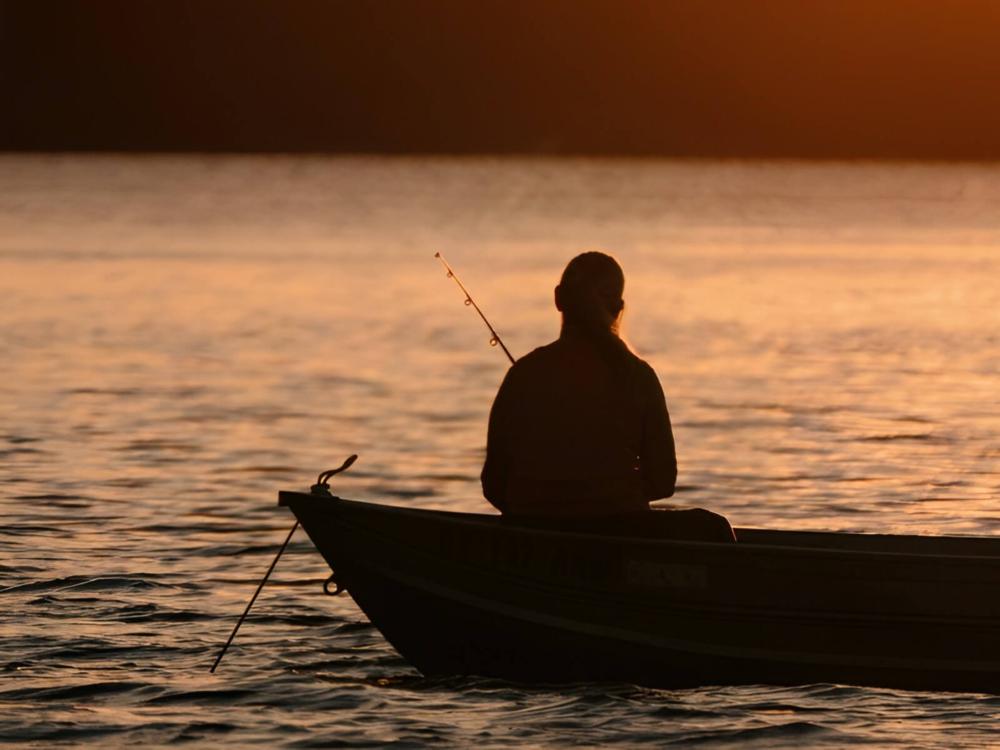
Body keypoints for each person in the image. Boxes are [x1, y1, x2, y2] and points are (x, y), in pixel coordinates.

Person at [481, 251, 735, 541]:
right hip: (620, 530)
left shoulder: (523, 374)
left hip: (533, 531)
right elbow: (663, 481)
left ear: (559, 298)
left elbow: (493, 485)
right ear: (618, 307)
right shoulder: (639, 376)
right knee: (714, 528)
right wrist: (610, 494)